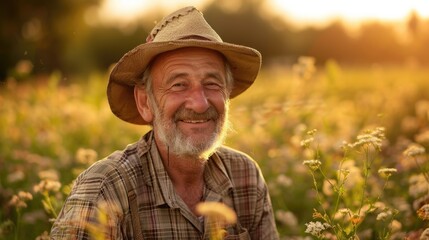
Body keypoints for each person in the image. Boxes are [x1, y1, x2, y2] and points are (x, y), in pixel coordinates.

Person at [50, 6, 279, 240]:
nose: (199, 104)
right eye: (179, 85)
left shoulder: (246, 176)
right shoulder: (105, 190)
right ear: (145, 102)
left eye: (212, 83)